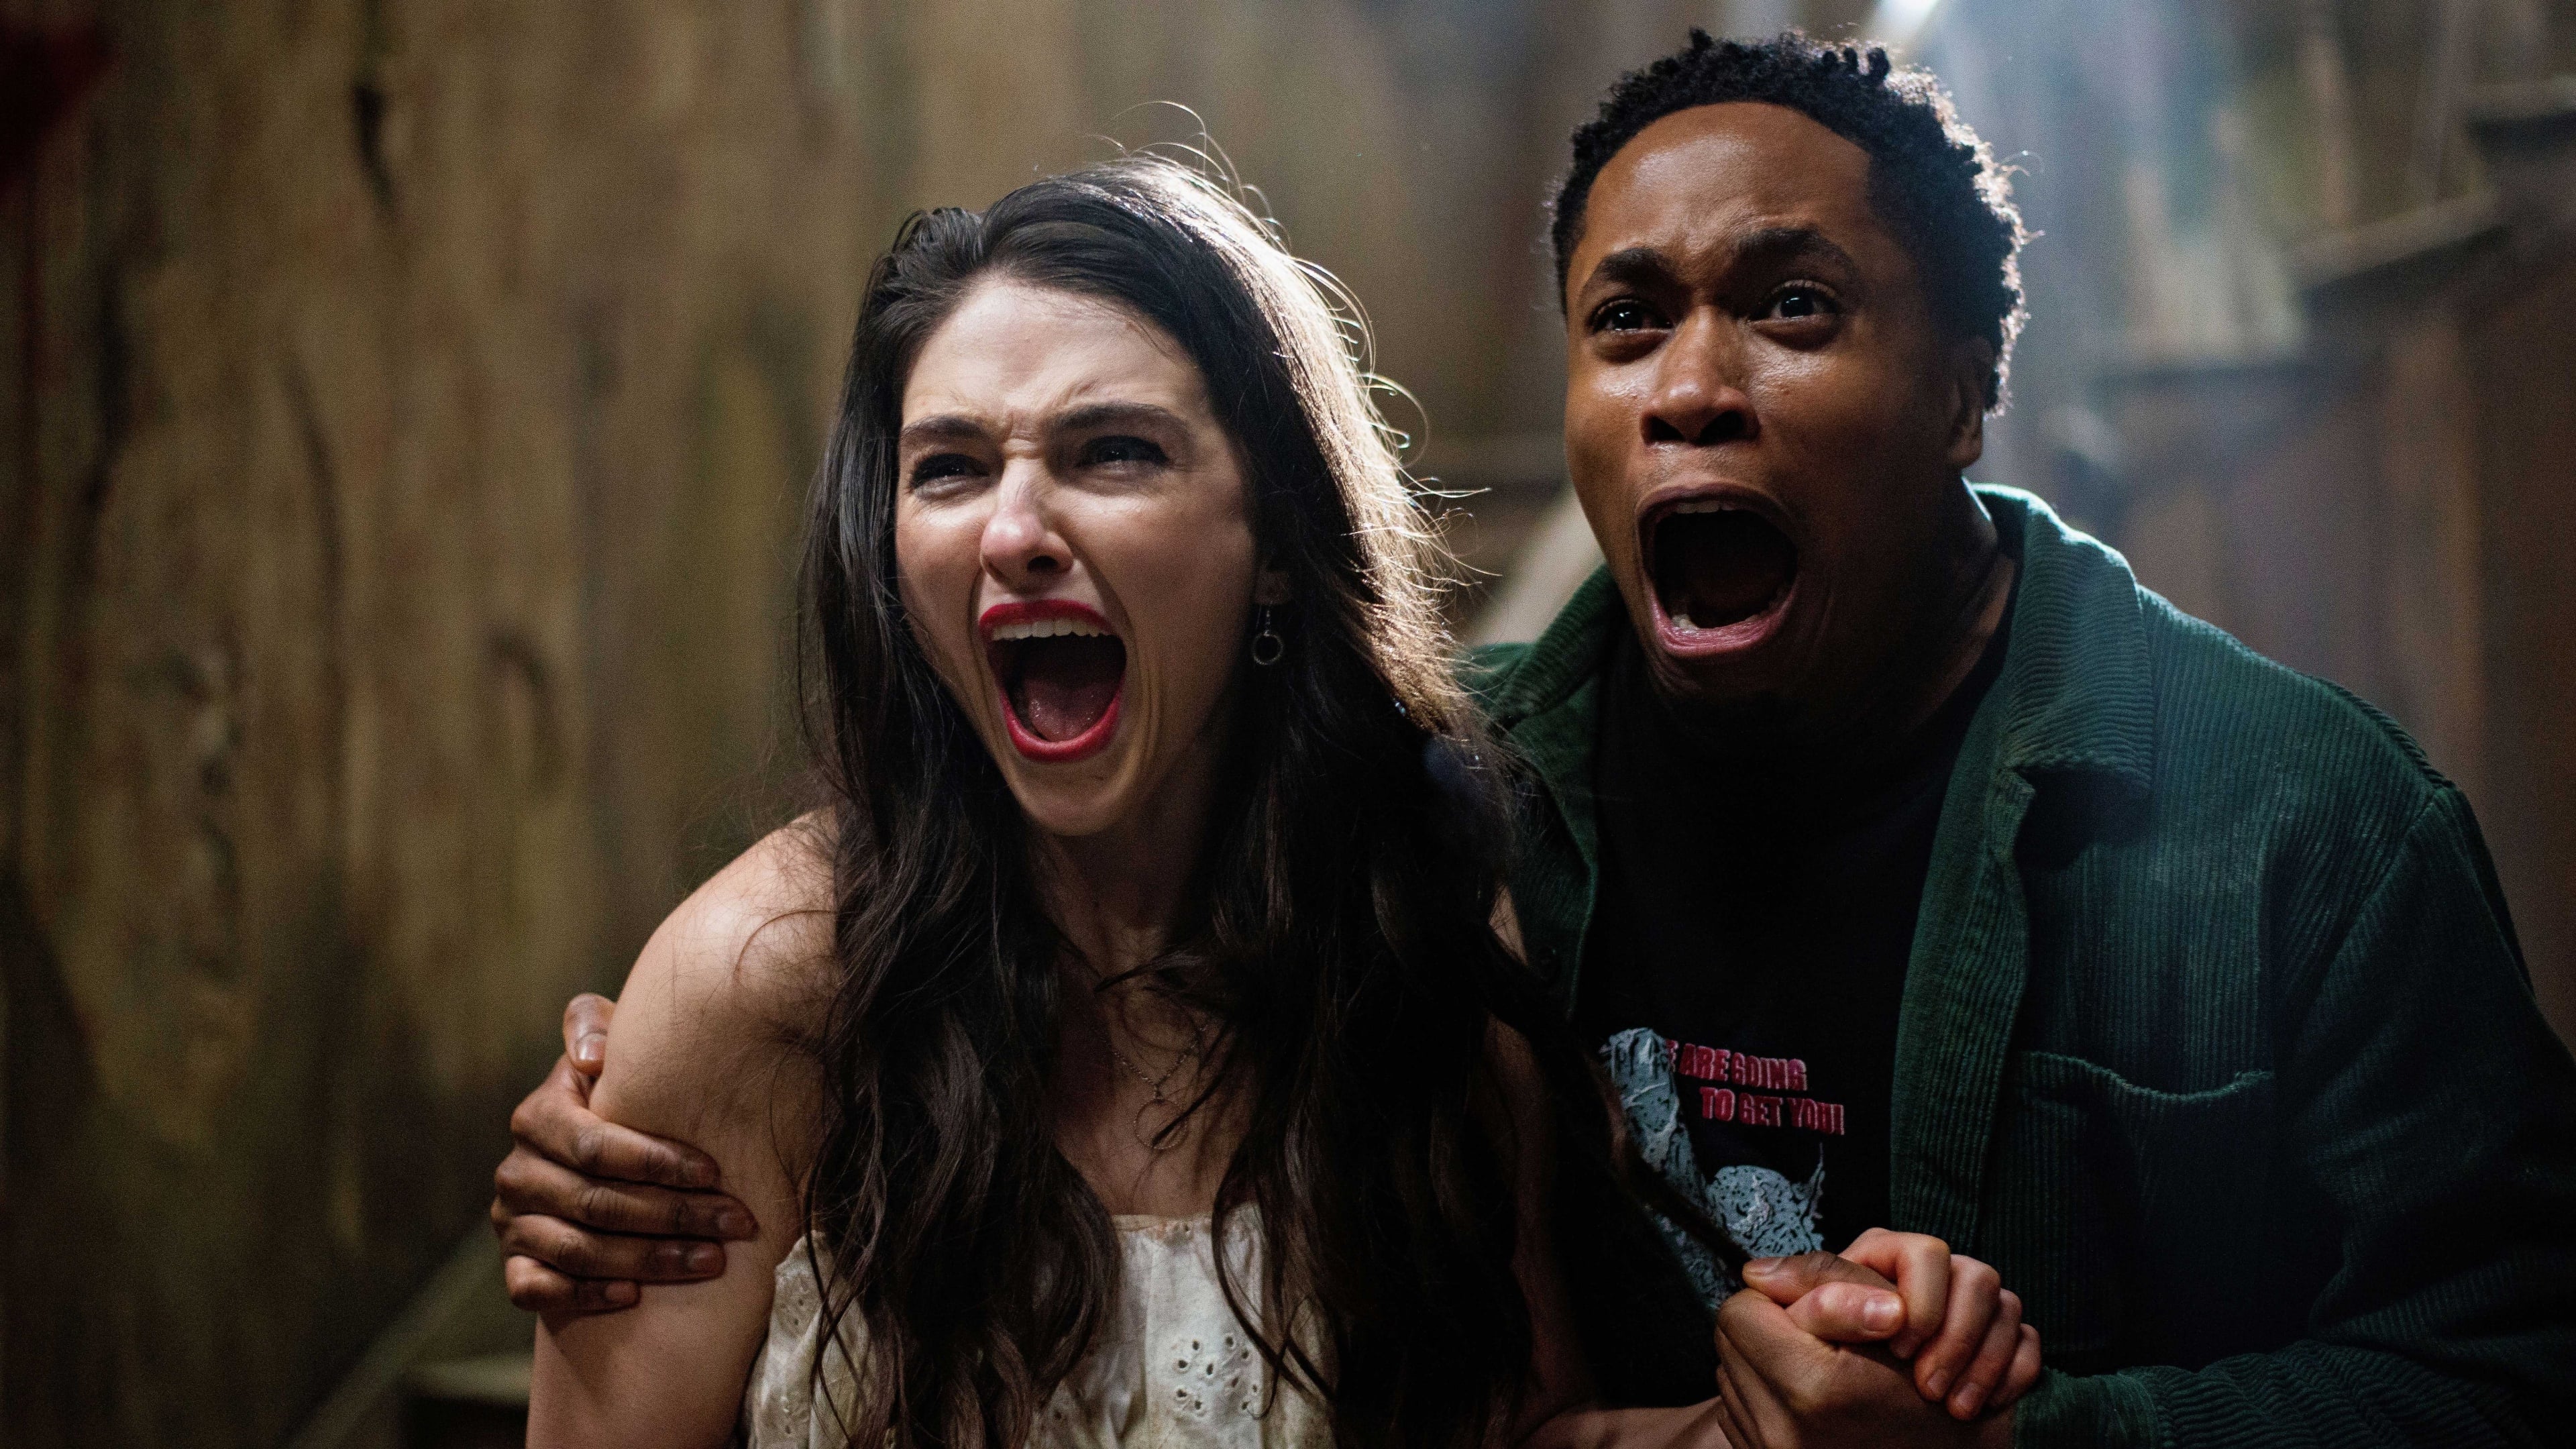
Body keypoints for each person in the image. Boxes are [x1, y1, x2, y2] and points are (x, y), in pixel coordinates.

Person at [501, 30, 2576, 1447]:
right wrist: (654, 1072)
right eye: (1625, 321)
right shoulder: (1456, 825)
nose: (1690, 384)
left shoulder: (2302, 827)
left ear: (1966, 390)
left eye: (1792, 307)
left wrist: (2020, 1434)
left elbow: (2526, 1363)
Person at [516, 150, 2039, 1449]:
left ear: (1276, 552)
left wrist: (1816, 1395)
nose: (1015, 529)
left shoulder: (1412, 960)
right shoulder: (767, 986)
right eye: (951, 468)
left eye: (1114, 452)